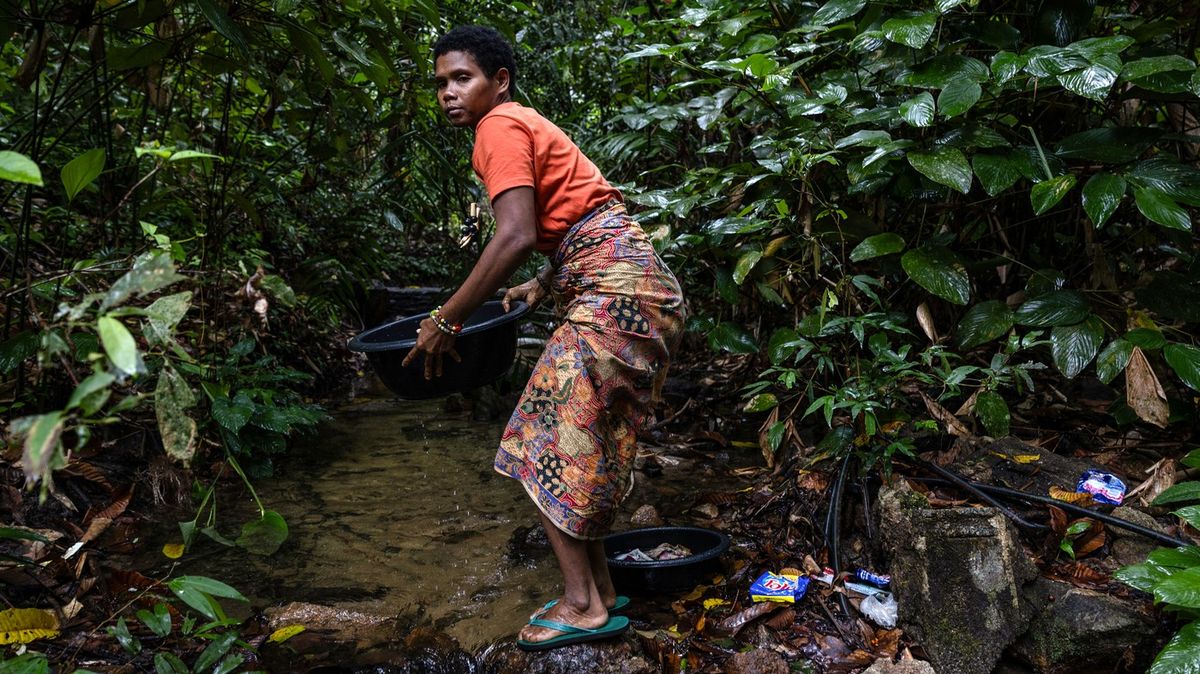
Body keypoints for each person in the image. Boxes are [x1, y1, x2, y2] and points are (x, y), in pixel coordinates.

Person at [401, 25, 686, 651]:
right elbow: (580, 215)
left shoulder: (497, 127)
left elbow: (514, 233)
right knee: (581, 442)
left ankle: (581, 605)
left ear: (497, 82)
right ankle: (602, 593)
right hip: (636, 289)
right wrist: (543, 284)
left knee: (540, 438)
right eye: (440, 83)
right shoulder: (524, 121)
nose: (448, 93)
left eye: (461, 78)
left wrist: (446, 319)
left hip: (617, 296)